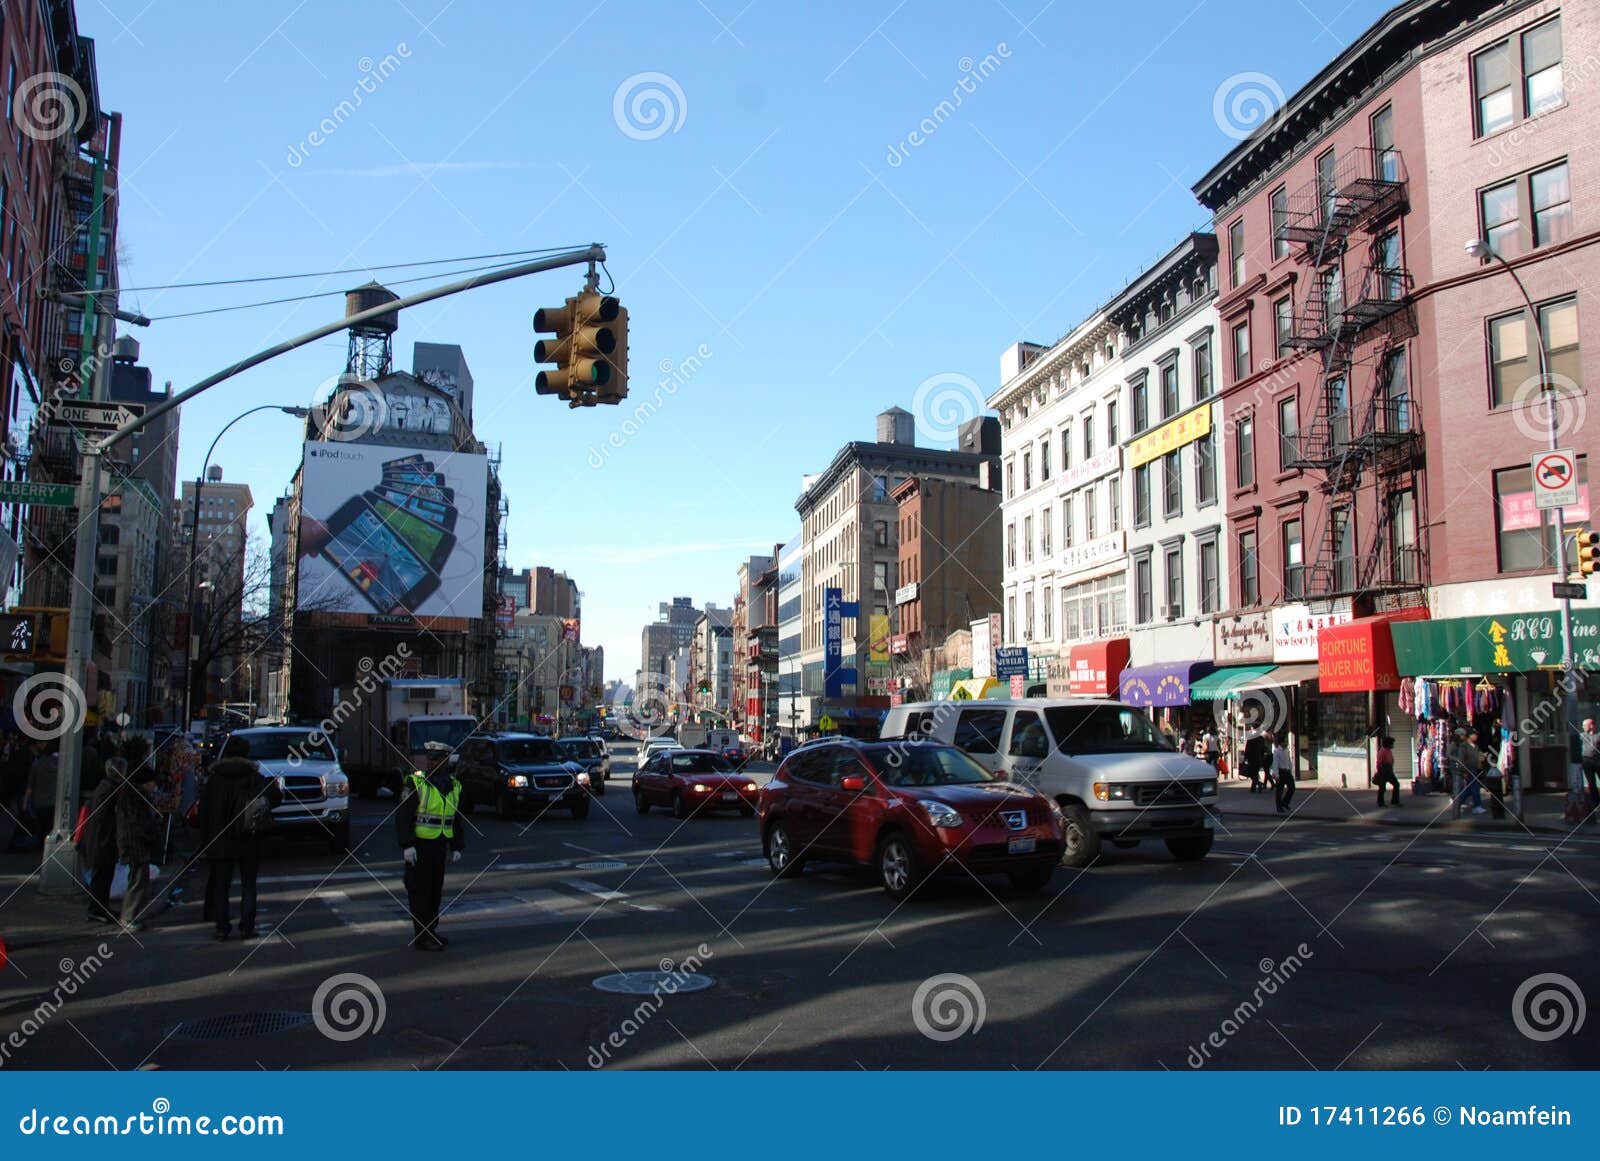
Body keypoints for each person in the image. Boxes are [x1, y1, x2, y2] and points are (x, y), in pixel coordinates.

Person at [199, 736, 282, 941]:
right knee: (248, 884)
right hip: (248, 837)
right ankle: (247, 926)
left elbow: (203, 812)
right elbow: (276, 797)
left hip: (219, 838)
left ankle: (221, 927)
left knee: (221, 885)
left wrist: (204, 839)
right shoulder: (254, 776)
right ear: (247, 753)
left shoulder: (214, 778)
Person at [395, 741, 465, 951]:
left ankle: (431, 931)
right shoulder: (415, 783)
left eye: (437, 759)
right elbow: (403, 816)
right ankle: (422, 937)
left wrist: (456, 846)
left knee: (435, 891)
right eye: (430, 758)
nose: (431, 762)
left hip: (439, 845)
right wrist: (407, 845)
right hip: (420, 846)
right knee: (419, 891)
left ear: (446, 761)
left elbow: (456, 818)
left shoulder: (453, 785)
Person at [116, 763, 163, 933]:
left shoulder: (133, 796)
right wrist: (149, 835)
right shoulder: (135, 798)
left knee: (139, 880)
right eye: (152, 783)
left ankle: (131, 916)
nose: (154, 786)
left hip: (135, 844)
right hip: (136, 845)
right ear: (146, 783)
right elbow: (137, 824)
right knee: (137, 881)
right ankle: (128, 917)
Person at [79, 758, 127, 924]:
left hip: (101, 841)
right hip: (101, 842)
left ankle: (101, 907)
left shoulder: (105, 787)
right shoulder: (109, 790)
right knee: (101, 878)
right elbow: (104, 820)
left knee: (104, 877)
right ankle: (96, 909)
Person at [22, 739, 58, 851]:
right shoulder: (58, 764)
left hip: (40, 802)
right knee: (50, 826)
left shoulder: (37, 765)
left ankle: (41, 848)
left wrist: (25, 803)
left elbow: (30, 786)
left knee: (41, 828)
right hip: (53, 801)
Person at [1451, 728, 1487, 816]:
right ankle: (1477, 806)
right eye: (1474, 734)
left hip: (1474, 769)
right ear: (1470, 736)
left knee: (1471, 789)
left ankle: (1458, 801)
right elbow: (1461, 759)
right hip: (1468, 769)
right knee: (1474, 787)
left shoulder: (1476, 746)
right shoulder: (1464, 746)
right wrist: (1463, 770)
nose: (1476, 736)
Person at [1581, 718, 1600, 826]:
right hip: (1587, 761)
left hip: (1597, 761)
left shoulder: (1598, 736)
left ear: (1592, 726)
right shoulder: (1582, 735)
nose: (1583, 727)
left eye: (1585, 725)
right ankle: (1596, 803)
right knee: (1591, 784)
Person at [1270, 731, 1295, 814]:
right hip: (1281, 772)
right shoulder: (1277, 752)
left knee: (1292, 787)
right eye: (1285, 742)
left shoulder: (1287, 751)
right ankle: (1279, 807)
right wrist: (1276, 774)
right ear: (1281, 743)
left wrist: (1291, 771)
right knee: (1279, 791)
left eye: (1287, 742)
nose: (1286, 744)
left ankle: (1285, 803)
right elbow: (1275, 764)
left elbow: (1289, 761)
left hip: (1287, 771)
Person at [1374, 735, 1400, 807]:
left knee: (1396, 784)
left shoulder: (1388, 751)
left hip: (1389, 771)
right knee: (1382, 787)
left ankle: (1395, 802)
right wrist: (1381, 771)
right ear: (1388, 744)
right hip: (1384, 771)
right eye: (1392, 743)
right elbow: (1379, 762)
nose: (1393, 745)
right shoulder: (1383, 751)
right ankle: (1380, 803)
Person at [1243, 727, 1269, 794]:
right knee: (1255, 773)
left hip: (1252, 758)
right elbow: (1263, 749)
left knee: (1252, 774)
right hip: (1258, 759)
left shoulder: (1251, 738)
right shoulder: (1261, 739)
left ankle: (1258, 784)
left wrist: (1245, 757)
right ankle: (1253, 788)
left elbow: (1247, 748)